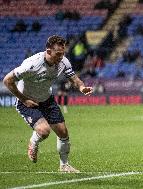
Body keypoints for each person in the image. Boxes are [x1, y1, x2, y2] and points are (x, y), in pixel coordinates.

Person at [3, 35, 93, 173]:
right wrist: (23, 99)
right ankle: (33, 142)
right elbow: (7, 80)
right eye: (58, 54)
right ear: (49, 51)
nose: (61, 57)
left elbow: (74, 79)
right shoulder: (31, 64)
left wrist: (81, 87)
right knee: (44, 131)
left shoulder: (63, 62)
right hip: (27, 101)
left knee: (63, 132)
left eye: (63, 53)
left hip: (47, 99)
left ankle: (64, 166)